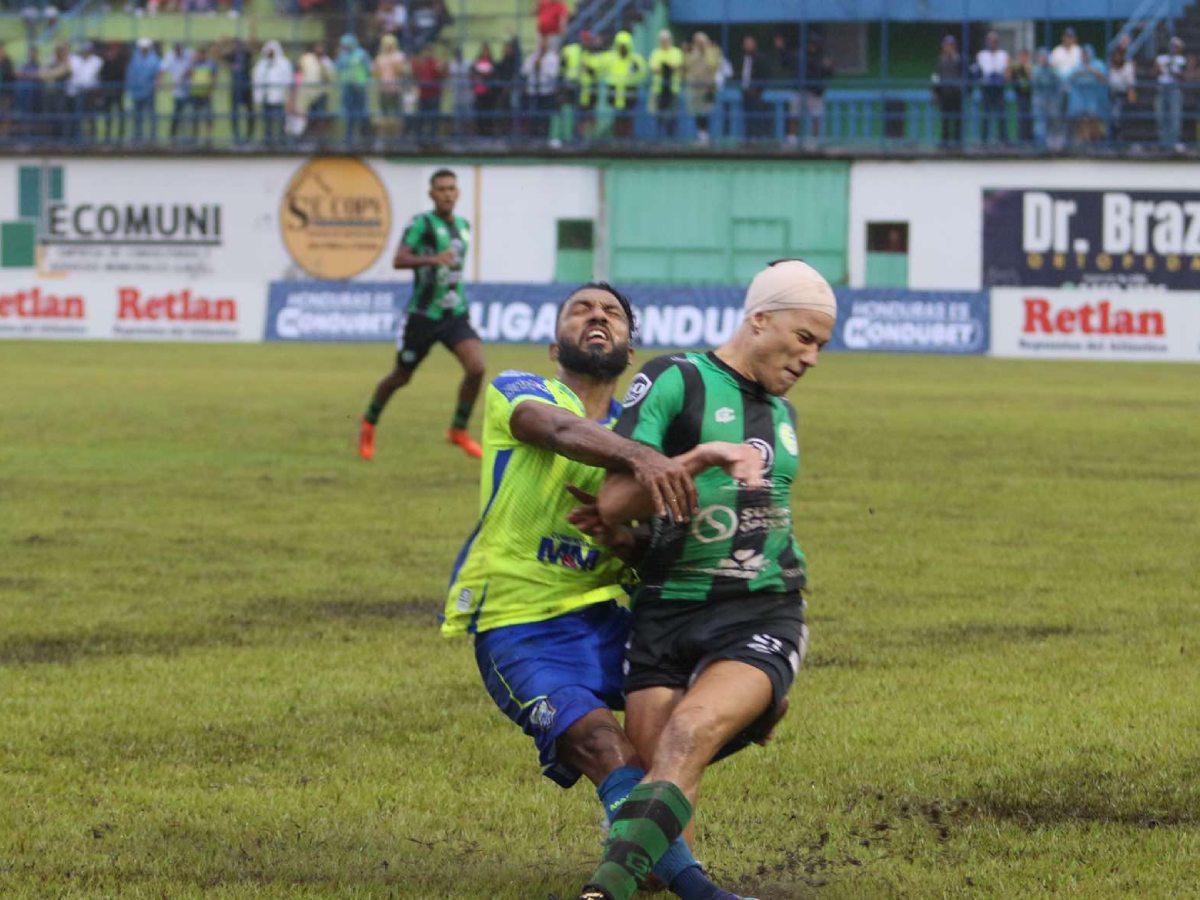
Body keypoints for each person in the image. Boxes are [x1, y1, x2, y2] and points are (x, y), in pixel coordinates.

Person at [443, 282, 754, 900]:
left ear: (628, 348)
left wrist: (627, 541)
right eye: (580, 309)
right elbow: (555, 430)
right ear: (553, 341)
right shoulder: (522, 390)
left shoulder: (647, 440)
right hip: (519, 621)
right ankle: (697, 889)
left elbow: (656, 554)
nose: (597, 317)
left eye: (612, 313)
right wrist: (648, 461)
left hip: (609, 622)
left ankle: (638, 835)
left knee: (718, 713)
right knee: (600, 743)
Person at [576, 259, 836, 900]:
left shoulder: (781, 417)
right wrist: (695, 462)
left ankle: (600, 893)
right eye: (804, 338)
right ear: (760, 320)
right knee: (655, 776)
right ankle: (745, 717)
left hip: (761, 611)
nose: (811, 359)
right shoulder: (676, 379)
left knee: (689, 735)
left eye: (821, 347)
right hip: (665, 611)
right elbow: (611, 503)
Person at [360, 169, 483, 461]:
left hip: (454, 314)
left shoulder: (464, 227)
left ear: (458, 192)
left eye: (452, 188)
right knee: (401, 377)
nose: (447, 193)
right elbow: (399, 259)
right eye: (441, 189)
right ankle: (368, 424)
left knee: (476, 367)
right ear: (431, 194)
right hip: (422, 317)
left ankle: (458, 430)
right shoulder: (421, 224)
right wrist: (432, 259)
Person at [606, 31, 646, 139]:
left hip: (630, 93)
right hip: (615, 94)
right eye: (621, 46)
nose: (623, 48)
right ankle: (617, 140)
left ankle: (627, 141)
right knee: (617, 119)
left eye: (625, 46)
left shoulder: (635, 60)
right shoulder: (611, 58)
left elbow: (642, 74)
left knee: (628, 118)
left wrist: (635, 72)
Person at [253, 39, 292, 146]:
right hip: (266, 98)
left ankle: (282, 141)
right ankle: (268, 142)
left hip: (280, 98)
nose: (270, 53)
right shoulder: (261, 64)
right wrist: (258, 97)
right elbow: (257, 80)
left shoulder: (284, 63)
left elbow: (288, 80)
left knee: (281, 121)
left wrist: (287, 97)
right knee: (267, 121)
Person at [335, 33, 372, 146]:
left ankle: (366, 139)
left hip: (359, 87)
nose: (345, 46)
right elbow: (338, 67)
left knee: (362, 113)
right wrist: (338, 56)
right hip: (347, 87)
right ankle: (349, 139)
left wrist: (364, 81)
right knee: (349, 113)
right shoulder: (342, 55)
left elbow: (368, 69)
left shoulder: (361, 54)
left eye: (346, 44)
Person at [1067, 45, 1107, 146]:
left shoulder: (1098, 65)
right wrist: (1079, 73)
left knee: (1094, 120)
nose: (1084, 56)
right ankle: (1083, 144)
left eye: (1086, 53)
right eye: (1083, 54)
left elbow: (1104, 80)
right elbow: (1069, 79)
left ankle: (1095, 144)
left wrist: (1092, 71)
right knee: (1082, 121)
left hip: (1095, 99)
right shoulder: (1077, 66)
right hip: (1080, 100)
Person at [521, 34, 559, 140]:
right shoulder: (533, 56)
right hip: (533, 91)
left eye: (545, 42)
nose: (542, 45)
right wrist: (534, 63)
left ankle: (545, 138)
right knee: (533, 115)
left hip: (546, 91)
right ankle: (533, 137)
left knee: (545, 117)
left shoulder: (553, 57)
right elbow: (524, 71)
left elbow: (553, 74)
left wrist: (542, 65)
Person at [685, 32, 720, 144]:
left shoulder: (712, 52)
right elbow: (687, 67)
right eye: (697, 41)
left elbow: (713, 66)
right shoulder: (692, 54)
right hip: (696, 89)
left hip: (708, 88)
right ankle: (701, 136)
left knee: (708, 112)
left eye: (701, 41)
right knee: (698, 113)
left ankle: (710, 136)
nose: (699, 44)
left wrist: (705, 51)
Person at [297, 41, 335, 141]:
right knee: (308, 116)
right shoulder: (307, 59)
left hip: (321, 94)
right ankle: (308, 138)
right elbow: (300, 70)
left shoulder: (327, 62)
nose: (319, 50)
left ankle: (319, 139)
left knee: (320, 116)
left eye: (321, 48)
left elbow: (329, 78)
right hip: (308, 93)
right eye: (318, 47)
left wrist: (322, 65)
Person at [125, 37, 160, 144]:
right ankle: (137, 138)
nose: (143, 49)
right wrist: (130, 88)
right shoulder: (135, 58)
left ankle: (152, 138)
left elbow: (156, 74)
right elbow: (130, 74)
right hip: (137, 92)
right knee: (137, 117)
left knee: (151, 116)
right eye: (142, 48)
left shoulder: (154, 59)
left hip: (149, 92)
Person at [976, 30, 1009, 144]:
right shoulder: (981, 55)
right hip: (987, 87)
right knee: (985, 114)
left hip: (999, 87)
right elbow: (979, 72)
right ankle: (984, 140)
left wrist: (1002, 77)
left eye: (995, 41)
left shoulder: (1003, 54)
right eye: (990, 41)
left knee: (1001, 114)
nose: (992, 43)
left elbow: (1006, 72)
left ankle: (1003, 139)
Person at [374, 34, 408, 142]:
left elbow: (401, 71)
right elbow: (376, 73)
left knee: (397, 114)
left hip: (396, 89)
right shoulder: (380, 57)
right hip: (383, 89)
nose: (388, 46)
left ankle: (397, 139)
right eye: (386, 44)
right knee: (384, 114)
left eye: (390, 44)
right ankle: (383, 139)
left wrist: (394, 64)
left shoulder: (400, 56)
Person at [649, 29, 683, 138]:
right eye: (662, 40)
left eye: (666, 40)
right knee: (659, 116)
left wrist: (665, 67)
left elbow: (676, 67)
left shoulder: (676, 52)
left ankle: (672, 140)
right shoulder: (655, 52)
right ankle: (659, 140)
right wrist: (667, 67)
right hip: (658, 89)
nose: (664, 42)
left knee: (672, 116)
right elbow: (654, 69)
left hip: (673, 89)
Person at [932, 34, 963, 147]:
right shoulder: (940, 60)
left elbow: (964, 75)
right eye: (946, 45)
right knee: (945, 118)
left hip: (956, 92)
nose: (948, 47)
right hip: (945, 92)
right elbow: (936, 76)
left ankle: (958, 142)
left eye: (951, 45)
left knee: (958, 119)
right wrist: (935, 92)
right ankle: (944, 141)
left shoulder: (959, 59)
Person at [1156, 36, 1186, 150]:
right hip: (1162, 88)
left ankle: (1174, 143)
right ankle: (1163, 143)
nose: (1175, 49)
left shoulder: (1181, 59)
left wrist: (1173, 69)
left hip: (1174, 89)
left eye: (1177, 47)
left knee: (1175, 117)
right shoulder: (1161, 58)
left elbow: (1182, 75)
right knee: (1161, 116)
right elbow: (1156, 71)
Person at [801, 32, 833, 142]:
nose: (812, 46)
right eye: (810, 44)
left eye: (814, 44)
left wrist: (828, 66)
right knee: (795, 115)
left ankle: (815, 139)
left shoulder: (821, 57)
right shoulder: (803, 56)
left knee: (816, 116)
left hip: (817, 91)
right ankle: (793, 140)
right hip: (804, 90)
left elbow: (828, 73)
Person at [68, 41, 102, 142]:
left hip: (91, 92)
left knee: (91, 116)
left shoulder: (96, 61)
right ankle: (77, 137)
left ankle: (92, 138)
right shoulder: (76, 60)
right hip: (78, 92)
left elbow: (92, 76)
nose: (86, 52)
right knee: (78, 115)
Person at [412, 44, 445, 140]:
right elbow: (414, 75)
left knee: (433, 119)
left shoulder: (436, 62)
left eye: (429, 51)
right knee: (420, 119)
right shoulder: (420, 63)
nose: (427, 53)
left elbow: (442, 74)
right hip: (423, 95)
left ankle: (432, 140)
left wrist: (442, 67)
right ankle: (420, 140)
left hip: (434, 95)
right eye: (426, 51)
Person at [738, 35, 767, 139]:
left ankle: (757, 138)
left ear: (754, 45)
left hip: (756, 93)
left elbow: (764, 75)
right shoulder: (742, 58)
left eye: (749, 43)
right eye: (746, 44)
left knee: (757, 116)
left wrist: (757, 89)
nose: (747, 46)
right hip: (745, 92)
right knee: (747, 117)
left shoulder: (760, 58)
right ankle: (748, 138)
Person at [161, 42, 191, 141]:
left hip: (190, 91)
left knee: (189, 116)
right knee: (176, 115)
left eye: (180, 50)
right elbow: (162, 70)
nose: (178, 52)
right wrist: (160, 82)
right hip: (178, 92)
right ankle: (172, 137)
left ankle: (189, 138)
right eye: (177, 50)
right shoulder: (170, 57)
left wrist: (188, 73)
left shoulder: (189, 55)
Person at [186, 44, 216, 143]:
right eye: (198, 54)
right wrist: (192, 62)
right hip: (195, 94)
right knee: (195, 117)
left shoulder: (210, 64)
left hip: (206, 95)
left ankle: (208, 138)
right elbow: (186, 75)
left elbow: (214, 78)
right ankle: (194, 138)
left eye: (201, 54)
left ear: (205, 54)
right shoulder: (193, 64)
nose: (200, 56)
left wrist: (211, 91)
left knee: (208, 117)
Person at [226, 38, 254, 144]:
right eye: (236, 45)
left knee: (250, 113)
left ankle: (248, 138)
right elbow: (216, 54)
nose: (238, 47)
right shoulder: (232, 57)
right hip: (235, 89)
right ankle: (236, 138)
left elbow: (254, 49)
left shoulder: (247, 55)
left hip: (247, 88)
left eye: (239, 45)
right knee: (234, 114)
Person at [1108, 38, 1136, 145]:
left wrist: (1131, 97)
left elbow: (1130, 86)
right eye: (1115, 55)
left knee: (1117, 116)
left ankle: (1119, 140)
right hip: (1111, 95)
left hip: (1122, 96)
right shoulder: (1111, 68)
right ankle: (1112, 141)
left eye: (1119, 55)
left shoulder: (1128, 66)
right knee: (1112, 116)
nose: (1117, 57)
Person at [1031, 48, 1060, 149]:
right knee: (1039, 123)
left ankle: (1053, 147)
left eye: (1045, 57)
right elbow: (1036, 83)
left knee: (1053, 122)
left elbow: (1057, 83)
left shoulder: (1052, 70)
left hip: (1051, 101)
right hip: (1039, 101)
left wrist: (1052, 70)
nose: (1043, 59)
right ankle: (1040, 145)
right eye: (1041, 57)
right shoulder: (1036, 70)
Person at [1009, 49, 1033, 145]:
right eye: (1022, 56)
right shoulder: (1016, 67)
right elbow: (1008, 77)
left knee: (1029, 118)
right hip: (1019, 95)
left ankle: (1029, 139)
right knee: (1021, 117)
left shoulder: (1030, 67)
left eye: (1025, 56)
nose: (1023, 59)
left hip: (1030, 95)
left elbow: (1031, 79)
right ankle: (1021, 140)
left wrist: (1027, 68)